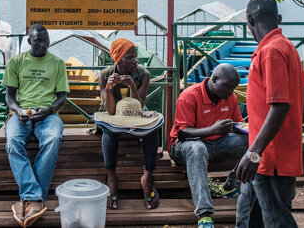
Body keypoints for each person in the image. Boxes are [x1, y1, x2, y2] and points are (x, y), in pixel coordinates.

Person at [235, 0, 304, 228]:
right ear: (278, 18)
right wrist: (291, 130)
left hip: (268, 159)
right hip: (264, 154)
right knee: (248, 215)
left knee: (276, 220)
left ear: (249, 20)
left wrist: (254, 154)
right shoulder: (287, 46)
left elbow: (280, 106)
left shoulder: (270, 51)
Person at [3, 24, 69, 228]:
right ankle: (35, 199)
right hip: (22, 113)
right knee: (13, 140)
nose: (43, 44)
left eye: (46, 39)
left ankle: (30, 199)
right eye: (38, 40)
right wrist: (18, 111)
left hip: (47, 114)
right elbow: (9, 97)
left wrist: (49, 110)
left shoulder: (57, 63)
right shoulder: (16, 61)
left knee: (53, 138)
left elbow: (62, 98)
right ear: (29, 41)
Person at [168, 63, 248, 228]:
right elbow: (182, 133)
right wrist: (212, 129)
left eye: (233, 88)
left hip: (216, 144)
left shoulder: (229, 97)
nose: (231, 92)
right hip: (184, 147)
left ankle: (230, 185)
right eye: (228, 86)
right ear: (214, 79)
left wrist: (244, 128)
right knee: (197, 148)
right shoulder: (190, 96)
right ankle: (204, 214)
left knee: (252, 142)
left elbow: (238, 123)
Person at [97, 38, 160, 210]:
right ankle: (111, 176)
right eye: (130, 58)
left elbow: (139, 107)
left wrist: (132, 85)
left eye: (136, 57)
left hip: (136, 116)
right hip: (113, 117)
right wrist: (109, 89)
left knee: (152, 131)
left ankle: (147, 176)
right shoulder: (104, 76)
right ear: (119, 59)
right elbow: (109, 111)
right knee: (109, 132)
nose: (135, 61)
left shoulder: (143, 74)